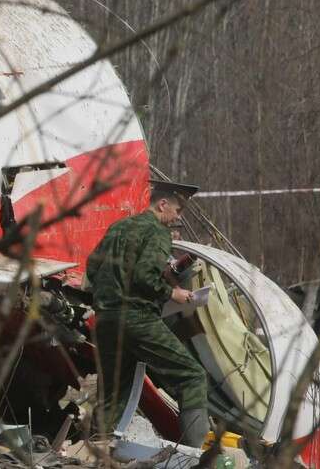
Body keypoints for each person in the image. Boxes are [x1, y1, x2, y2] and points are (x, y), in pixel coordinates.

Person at [86, 179, 208, 447]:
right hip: (137, 317)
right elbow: (144, 275)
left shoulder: (118, 227)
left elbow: (92, 269)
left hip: (106, 320)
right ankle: (194, 456)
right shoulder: (157, 232)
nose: (177, 218)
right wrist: (172, 293)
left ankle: (98, 451)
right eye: (177, 211)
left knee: (114, 391)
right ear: (162, 204)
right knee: (192, 376)